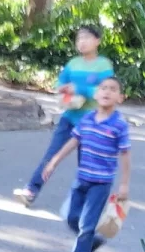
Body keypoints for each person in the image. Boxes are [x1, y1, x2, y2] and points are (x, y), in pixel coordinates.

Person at [39, 74, 132, 252]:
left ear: (120, 98)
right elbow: (74, 142)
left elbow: (125, 154)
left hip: (101, 183)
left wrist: (124, 185)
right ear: (96, 94)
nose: (107, 92)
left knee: (86, 224)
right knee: (70, 216)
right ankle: (92, 241)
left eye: (113, 89)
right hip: (81, 178)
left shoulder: (119, 124)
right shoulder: (87, 119)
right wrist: (54, 162)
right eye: (103, 88)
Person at [13, 24, 114, 206]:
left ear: (97, 41)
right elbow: (61, 81)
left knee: (86, 164)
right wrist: (62, 87)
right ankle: (31, 191)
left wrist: (80, 89)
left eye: (86, 38)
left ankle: (87, 204)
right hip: (69, 118)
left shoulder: (103, 65)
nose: (81, 42)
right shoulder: (73, 64)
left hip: (91, 123)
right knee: (51, 155)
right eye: (79, 38)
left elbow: (105, 91)